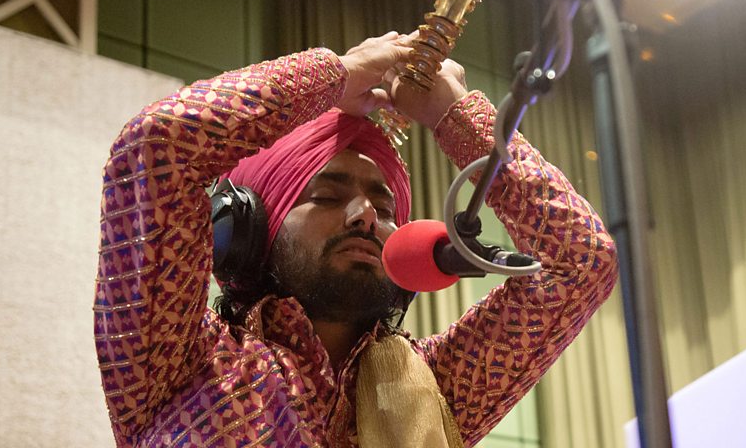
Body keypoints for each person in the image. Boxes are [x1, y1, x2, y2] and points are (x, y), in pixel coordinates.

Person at [95, 32, 617, 447]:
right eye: (326, 195)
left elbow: (581, 261)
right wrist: (336, 76)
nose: (366, 215)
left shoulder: (436, 385)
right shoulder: (176, 358)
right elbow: (154, 149)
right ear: (252, 228)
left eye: (385, 208)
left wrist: (453, 114)